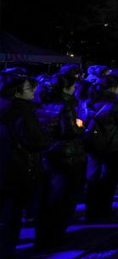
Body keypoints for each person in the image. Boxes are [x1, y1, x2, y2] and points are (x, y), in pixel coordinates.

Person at [33, 73, 86, 248]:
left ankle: (42, 234)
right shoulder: (66, 106)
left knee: (46, 196)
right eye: (73, 87)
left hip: (46, 153)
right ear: (66, 88)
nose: (75, 90)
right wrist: (81, 126)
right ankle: (55, 235)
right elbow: (68, 131)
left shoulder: (40, 102)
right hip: (65, 154)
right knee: (62, 197)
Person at [0, 74, 48, 258]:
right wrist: (47, 134)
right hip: (18, 167)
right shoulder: (23, 112)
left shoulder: (6, 109)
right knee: (12, 215)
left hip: (6, 166)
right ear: (17, 92)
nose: (34, 91)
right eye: (29, 88)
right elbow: (36, 141)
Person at [82, 75, 118, 220]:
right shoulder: (116, 104)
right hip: (113, 145)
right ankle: (104, 210)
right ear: (114, 88)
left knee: (92, 178)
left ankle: (90, 211)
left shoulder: (87, 103)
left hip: (92, 144)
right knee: (109, 180)